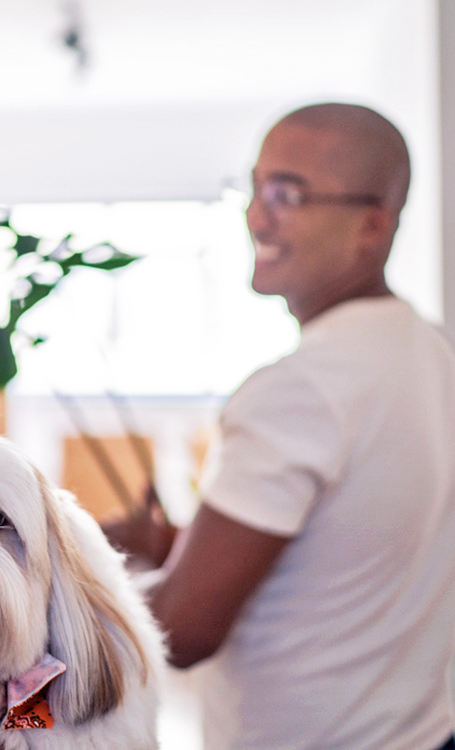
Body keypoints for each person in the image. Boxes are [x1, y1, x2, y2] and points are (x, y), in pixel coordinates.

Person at [102, 102, 455, 750]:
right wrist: (176, 545)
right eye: (256, 186)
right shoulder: (431, 349)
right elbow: (351, 550)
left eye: (287, 194)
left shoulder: (302, 387)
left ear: (371, 226)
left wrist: (66, 582)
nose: (255, 215)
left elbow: (182, 631)